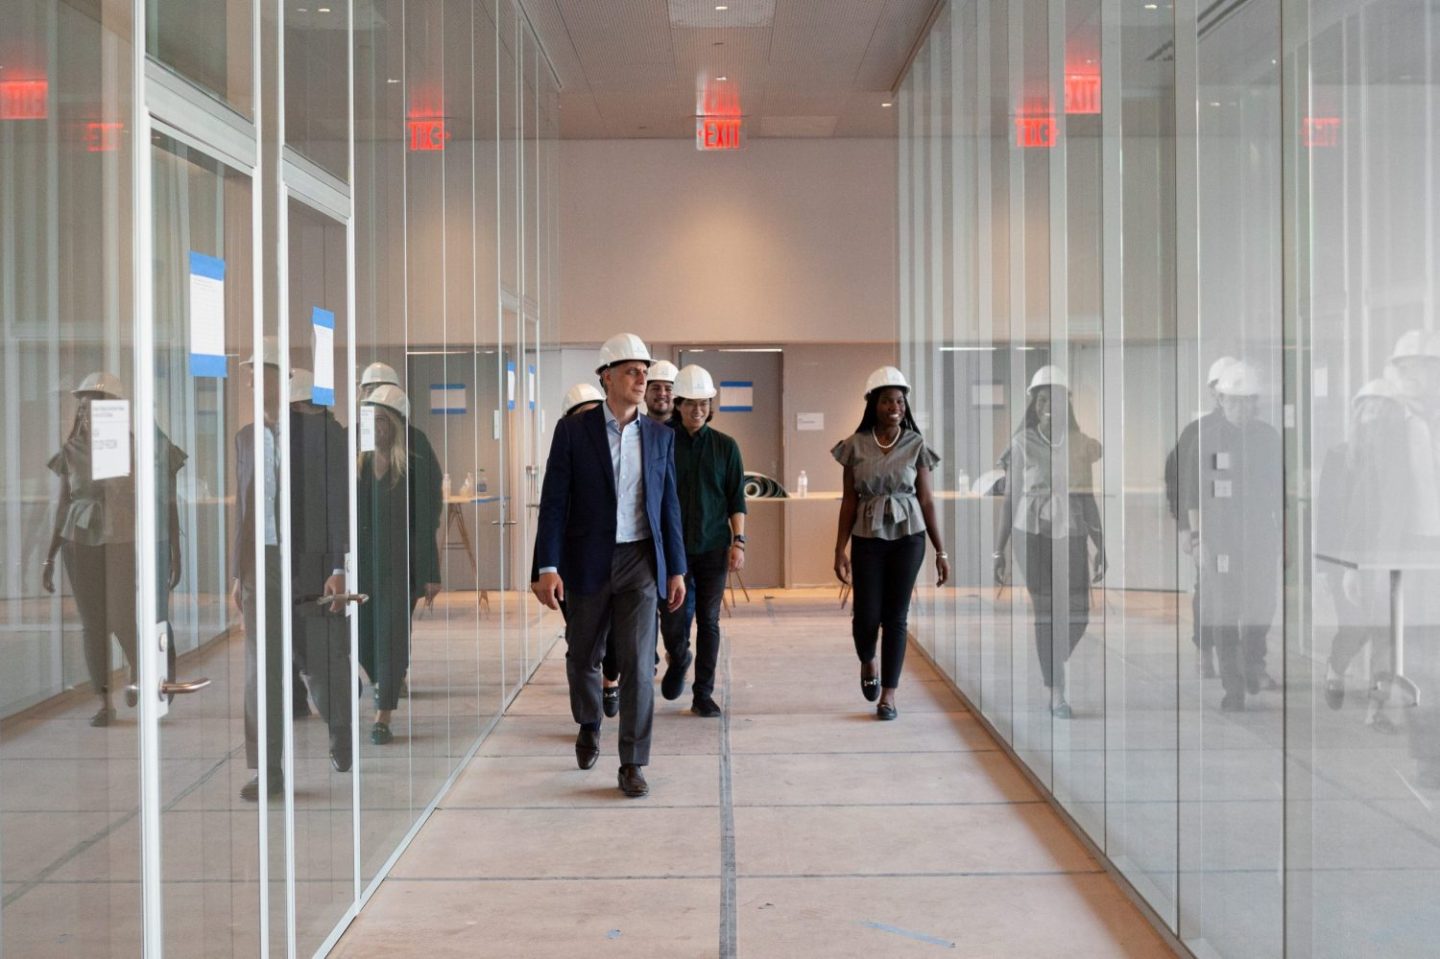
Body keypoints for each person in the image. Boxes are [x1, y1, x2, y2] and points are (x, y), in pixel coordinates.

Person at [532, 333, 687, 798]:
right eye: (632, 371)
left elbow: (669, 505)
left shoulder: (660, 436)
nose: (643, 379)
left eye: (645, 371)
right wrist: (546, 565)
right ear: (606, 378)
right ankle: (588, 720)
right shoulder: (573, 432)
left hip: (640, 559)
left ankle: (633, 762)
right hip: (586, 561)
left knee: (640, 664)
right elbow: (554, 502)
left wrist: (675, 567)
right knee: (583, 657)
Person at [42, 372, 187, 726]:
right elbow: (63, 504)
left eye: (95, 405)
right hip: (79, 543)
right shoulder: (72, 450)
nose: (87, 413)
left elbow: (163, 498)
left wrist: (173, 548)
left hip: (121, 539)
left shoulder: (138, 447)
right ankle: (103, 700)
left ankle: (142, 676)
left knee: (122, 617)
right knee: (93, 624)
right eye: (83, 407)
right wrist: (49, 555)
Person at [832, 366, 948, 721]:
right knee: (867, 616)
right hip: (868, 537)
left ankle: (889, 696)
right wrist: (839, 549)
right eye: (887, 401)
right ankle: (868, 661)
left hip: (908, 537)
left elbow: (926, 499)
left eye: (899, 401)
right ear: (873, 404)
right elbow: (849, 500)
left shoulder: (915, 444)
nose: (894, 407)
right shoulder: (854, 446)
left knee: (896, 617)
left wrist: (941, 550)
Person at [994, 365, 1105, 719]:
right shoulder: (1021, 444)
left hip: (1071, 532)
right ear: (1033, 404)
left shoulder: (1080, 444)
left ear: (1066, 403)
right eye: (1042, 400)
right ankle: (1057, 693)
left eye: (1055, 400)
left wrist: (1101, 544)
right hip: (1032, 535)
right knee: (1046, 612)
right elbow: (1011, 500)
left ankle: (1050, 661)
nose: (1049, 407)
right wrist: (1000, 549)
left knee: (1078, 614)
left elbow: (1087, 497)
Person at [1189, 361, 1282, 711]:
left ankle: (1253, 661)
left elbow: (1279, 495)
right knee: (1225, 612)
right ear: (1222, 400)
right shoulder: (1207, 440)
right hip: (1221, 540)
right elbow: (1194, 496)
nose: (1241, 408)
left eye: (1248, 402)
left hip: (1260, 537)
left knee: (1262, 606)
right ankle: (1233, 685)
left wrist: (1284, 538)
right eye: (1234, 401)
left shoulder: (1268, 437)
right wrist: (1198, 540)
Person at [1318, 377, 1407, 731]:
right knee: (1355, 631)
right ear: (1356, 413)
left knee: (1386, 634)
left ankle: (1377, 708)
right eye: (1367, 407)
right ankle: (1335, 670)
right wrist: (1331, 568)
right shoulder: (1340, 455)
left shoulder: (1400, 460)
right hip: (1348, 560)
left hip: (1390, 558)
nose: (1373, 415)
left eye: (1381, 409)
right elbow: (1328, 514)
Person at [356, 385, 442, 746]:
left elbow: (425, 520)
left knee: (391, 639)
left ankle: (383, 715)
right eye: (370, 421)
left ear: (393, 425)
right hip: (362, 567)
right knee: (364, 641)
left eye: (382, 421)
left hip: (398, 566)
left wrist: (429, 573)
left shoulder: (412, 465)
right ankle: (380, 683)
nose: (376, 428)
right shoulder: (356, 464)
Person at [659, 364, 746, 717]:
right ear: (677, 404)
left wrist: (739, 541)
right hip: (672, 551)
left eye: (704, 403)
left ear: (712, 405)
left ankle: (703, 694)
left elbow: (736, 498)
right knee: (673, 619)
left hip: (713, 547)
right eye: (691, 403)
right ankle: (679, 658)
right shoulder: (660, 440)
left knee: (709, 622)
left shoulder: (726, 447)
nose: (698, 409)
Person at [288, 369, 354, 770]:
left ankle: (340, 731)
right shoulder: (285, 437)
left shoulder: (330, 438)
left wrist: (336, 563)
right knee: (311, 656)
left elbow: (338, 506)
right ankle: (339, 713)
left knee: (322, 657)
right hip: (292, 565)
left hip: (317, 567)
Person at [232, 339, 285, 800]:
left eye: (257, 371)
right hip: (260, 563)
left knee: (312, 664)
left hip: (300, 563)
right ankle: (267, 768)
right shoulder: (246, 437)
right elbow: (243, 507)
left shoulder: (309, 432)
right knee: (259, 671)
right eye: (249, 371)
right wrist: (237, 571)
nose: (250, 379)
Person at [1165, 356, 1238, 679]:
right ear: (1214, 393)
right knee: (1208, 589)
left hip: (1239, 529)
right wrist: (1185, 528)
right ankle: (1205, 649)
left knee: (1242, 592)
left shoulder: (1251, 431)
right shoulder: (1197, 431)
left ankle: (1248, 659)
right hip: (1205, 527)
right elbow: (1181, 481)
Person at [644, 360, 678, 425]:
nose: (662, 393)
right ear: (644, 395)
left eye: (668, 389)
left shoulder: (687, 432)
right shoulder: (633, 429)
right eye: (656, 388)